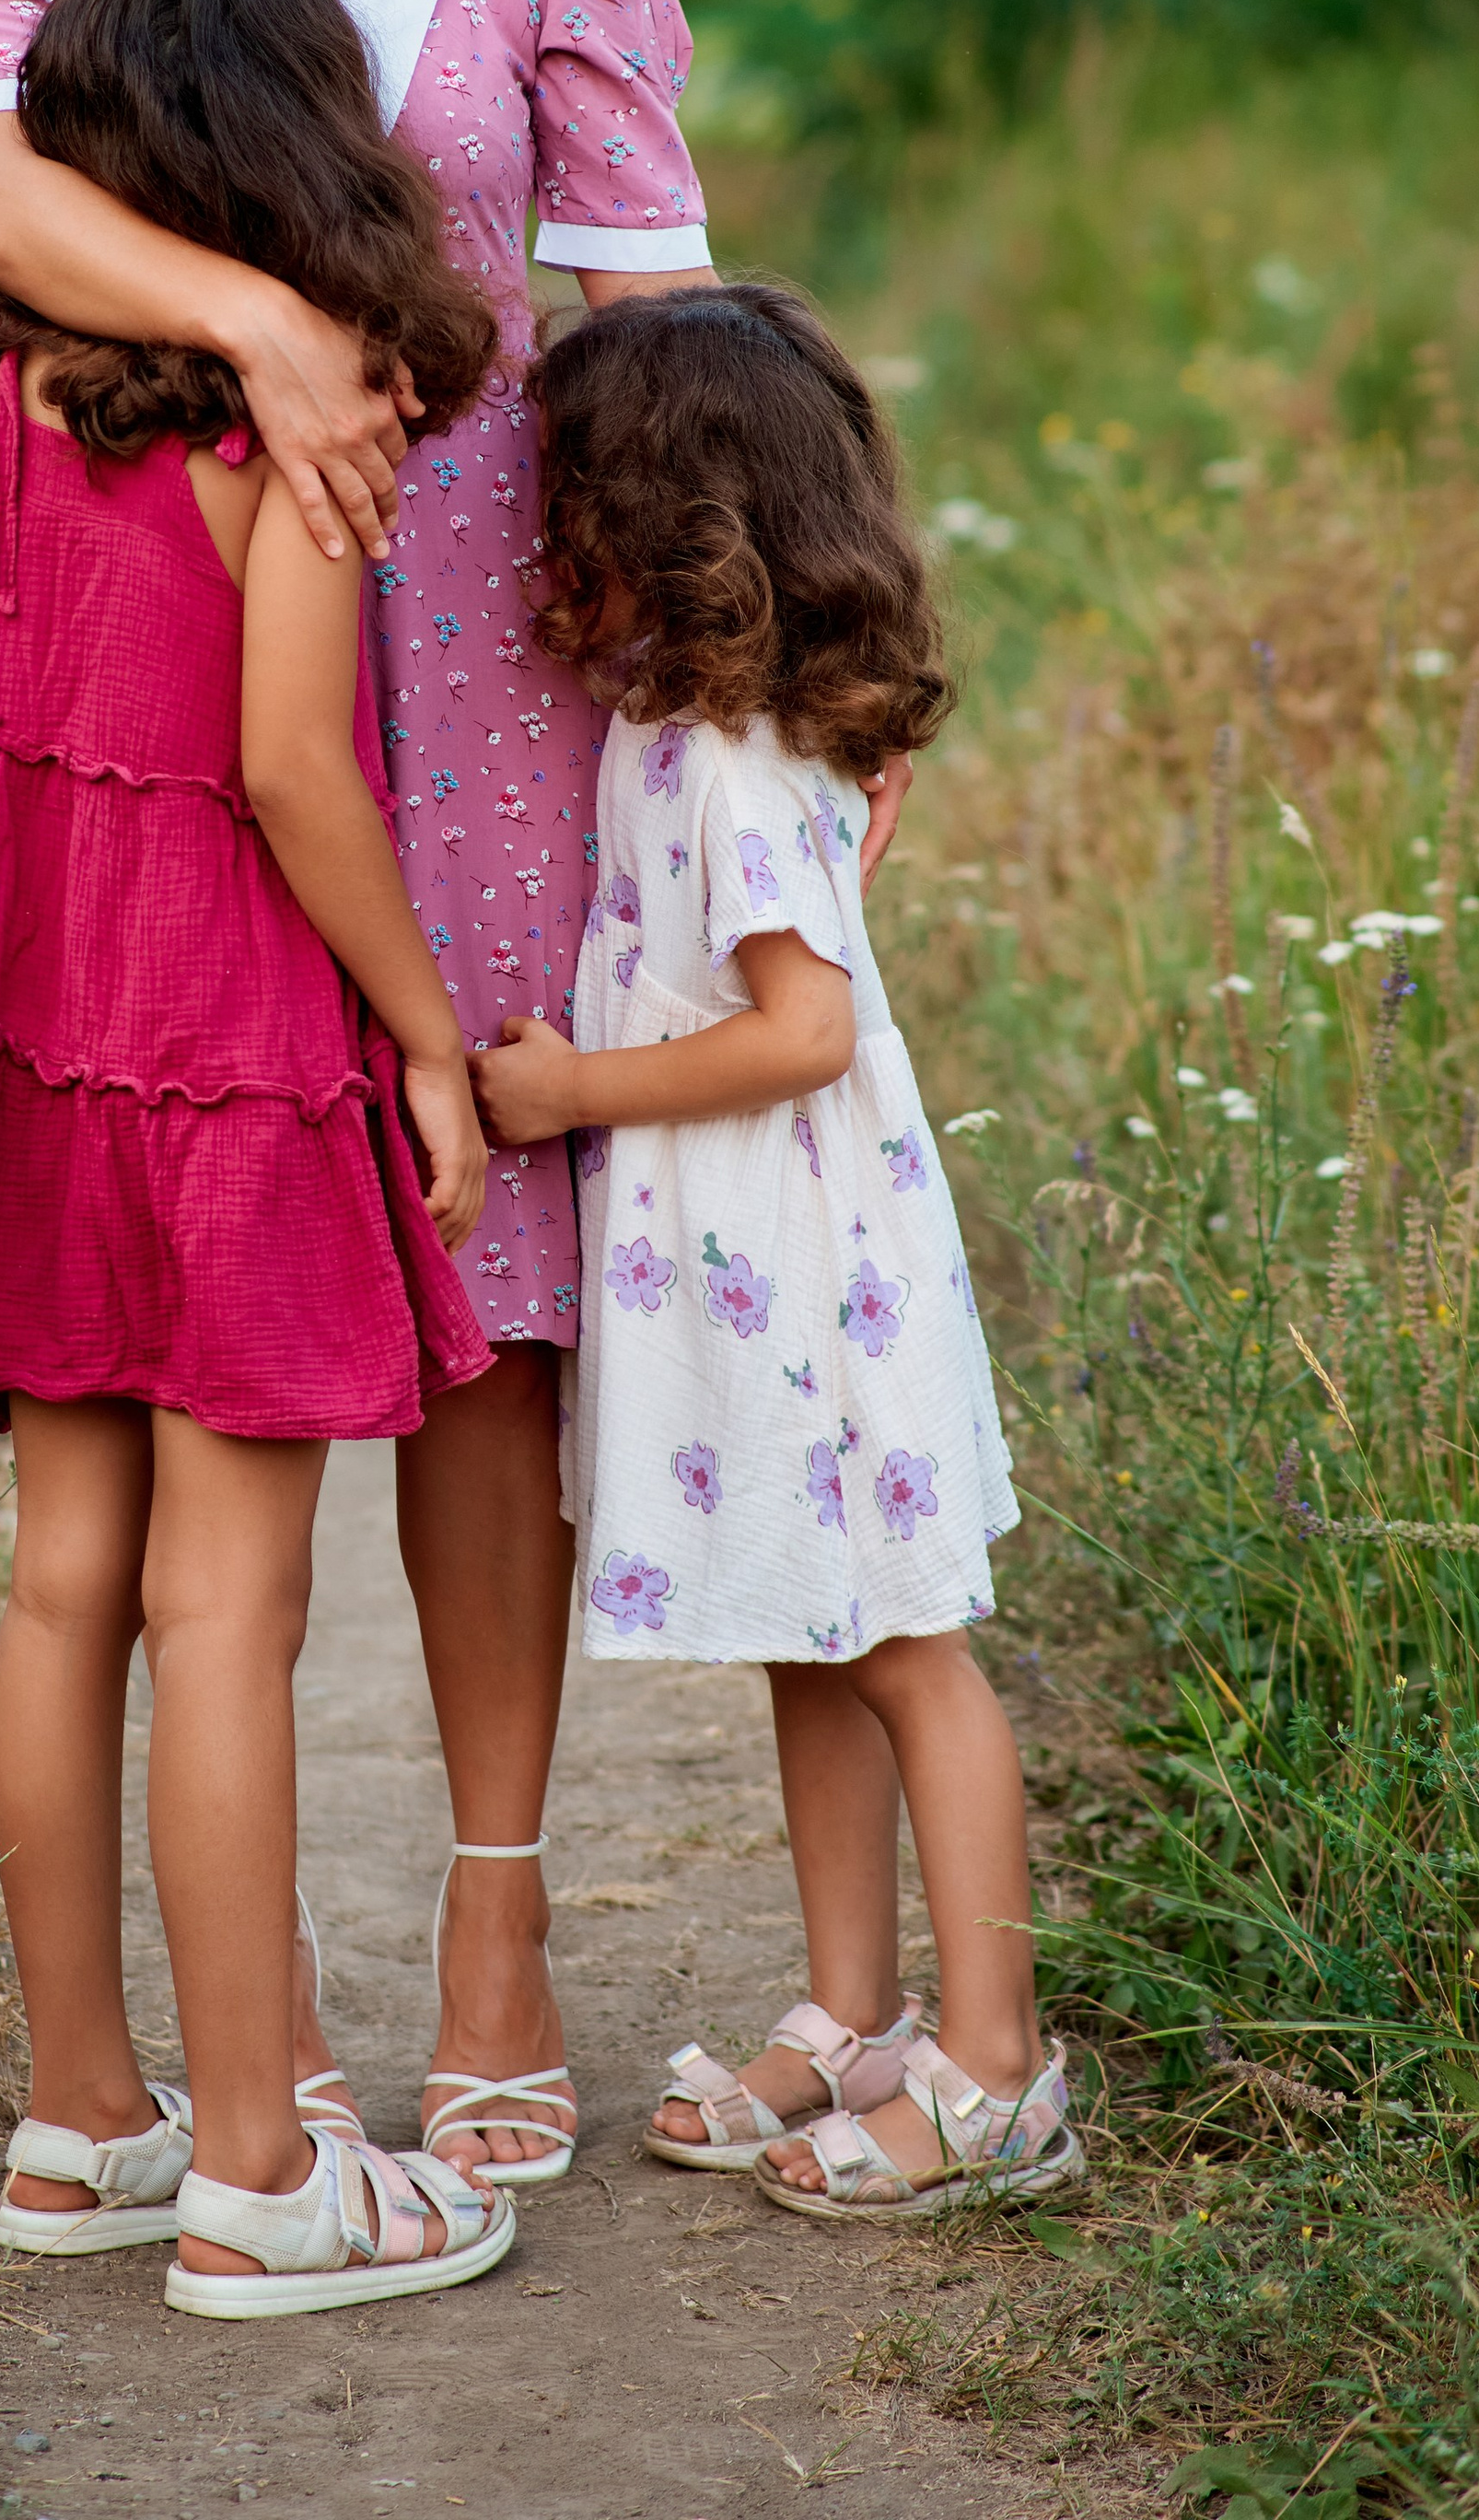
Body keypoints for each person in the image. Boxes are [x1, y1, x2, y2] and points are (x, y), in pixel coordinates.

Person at [0, 0, 907, 2178]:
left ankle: (494, 1904)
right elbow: (0, 203)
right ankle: (215, 2074)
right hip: (164, 669)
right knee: (172, 1337)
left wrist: (772, 690)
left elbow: (655, 324)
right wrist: (264, 329)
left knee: (494, 1315)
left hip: (498, 672)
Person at [0, 0, 518, 2314]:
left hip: (21, 1029)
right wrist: (430, 1036)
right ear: (306, 148)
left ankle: (84, 2120)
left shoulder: (6, 388)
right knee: (234, 1607)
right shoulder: (289, 408)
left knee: (63, 1589)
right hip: (216, 1033)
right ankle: (263, 2167)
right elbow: (290, 780)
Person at [473, 286, 1085, 2220]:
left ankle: (995, 2070)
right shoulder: (695, 733)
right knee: (813, 1643)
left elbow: (800, 1029)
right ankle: (849, 2015)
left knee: (903, 1646)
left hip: (800, 1268)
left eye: (559, 506)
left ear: (658, 526)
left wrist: (569, 1089)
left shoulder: (729, 759)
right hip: (752, 1246)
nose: (530, 540)